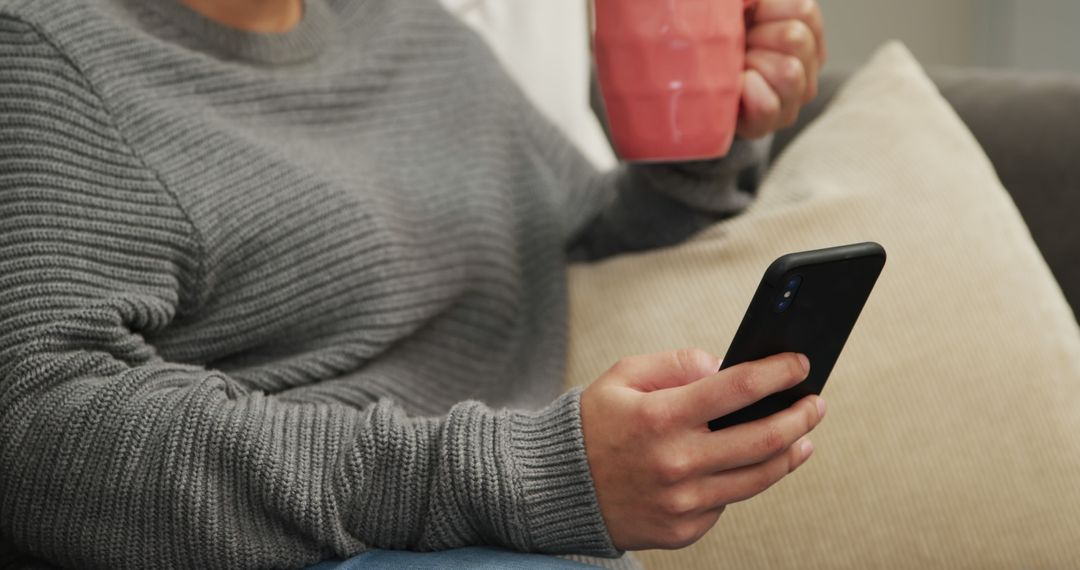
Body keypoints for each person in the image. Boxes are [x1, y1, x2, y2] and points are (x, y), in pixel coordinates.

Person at [0, 0, 826, 568]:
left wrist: (714, 125)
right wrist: (526, 474)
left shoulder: (410, 30)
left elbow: (581, 227)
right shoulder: (43, 54)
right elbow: (38, 429)